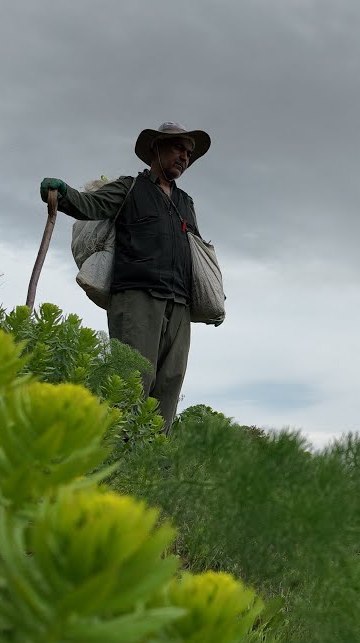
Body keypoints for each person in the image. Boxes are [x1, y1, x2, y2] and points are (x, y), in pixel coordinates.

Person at [39, 121, 211, 434]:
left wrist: (209, 299)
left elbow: (195, 249)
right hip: (137, 297)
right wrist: (64, 196)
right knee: (133, 382)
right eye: (177, 148)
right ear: (155, 148)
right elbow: (91, 205)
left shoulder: (185, 202)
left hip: (179, 303)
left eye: (188, 152)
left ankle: (149, 466)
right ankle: (118, 456)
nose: (184, 157)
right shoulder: (130, 188)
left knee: (169, 385)